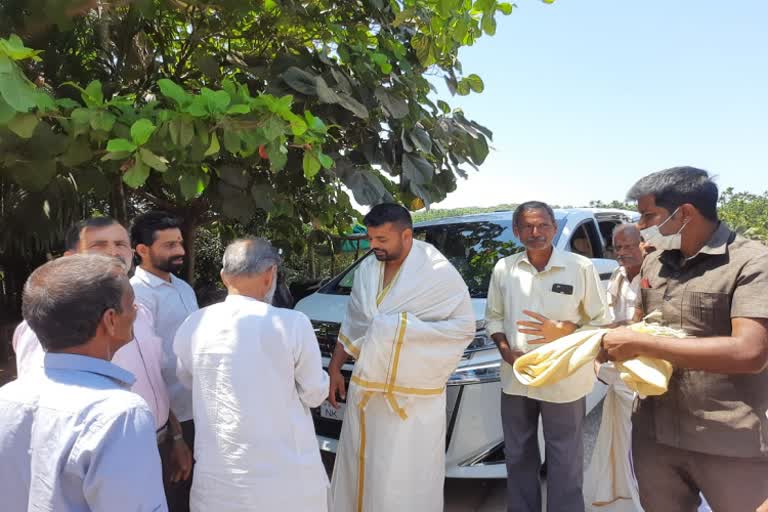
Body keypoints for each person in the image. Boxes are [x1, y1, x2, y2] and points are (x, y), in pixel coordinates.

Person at [602, 167, 768, 512]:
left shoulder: (751, 263)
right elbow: (640, 329)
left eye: (649, 214)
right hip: (655, 436)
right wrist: (591, 342)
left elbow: (750, 352)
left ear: (685, 213)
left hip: (728, 437)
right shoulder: (654, 265)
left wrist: (641, 344)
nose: (641, 223)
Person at [11, 217, 193, 496]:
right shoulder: (50, 324)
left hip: (158, 443)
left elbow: (154, 380)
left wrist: (176, 436)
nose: (113, 252)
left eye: (121, 244)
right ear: (71, 258)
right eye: (99, 244)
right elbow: (41, 410)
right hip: (100, 456)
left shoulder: (138, 313)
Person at [328, 203, 475, 512]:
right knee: (363, 465)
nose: (373, 246)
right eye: (370, 238)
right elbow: (354, 322)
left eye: (381, 239)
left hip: (412, 403)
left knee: (403, 476)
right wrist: (335, 367)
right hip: (366, 396)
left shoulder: (437, 273)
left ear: (406, 235)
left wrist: (395, 329)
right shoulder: (368, 269)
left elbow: (462, 329)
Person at [0, 254, 167, 511]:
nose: (136, 311)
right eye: (132, 303)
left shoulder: (7, 397)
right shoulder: (119, 413)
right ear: (110, 320)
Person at [173, 238, 329, 511]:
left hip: (218, 482)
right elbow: (315, 393)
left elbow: (187, 380)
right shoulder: (292, 324)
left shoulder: (194, 323)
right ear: (270, 276)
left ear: (223, 277)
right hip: (284, 481)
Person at [485, 201, 609, 512]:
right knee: (518, 454)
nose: (535, 232)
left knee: (564, 456)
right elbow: (494, 317)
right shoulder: (504, 268)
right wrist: (505, 351)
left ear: (554, 228)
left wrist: (567, 329)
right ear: (517, 231)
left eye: (542, 225)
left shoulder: (580, 267)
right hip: (517, 378)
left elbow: (600, 322)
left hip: (563, 379)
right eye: (527, 226)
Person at [130, 210, 199, 511]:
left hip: (196, 410)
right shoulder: (136, 295)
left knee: (195, 493)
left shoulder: (183, 287)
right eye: (169, 245)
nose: (181, 251)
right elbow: (148, 369)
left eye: (180, 243)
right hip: (167, 422)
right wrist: (177, 435)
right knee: (172, 497)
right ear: (142, 250)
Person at [584, 223, 645, 512]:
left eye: (628, 246)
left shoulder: (656, 276)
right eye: (617, 247)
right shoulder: (618, 276)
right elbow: (610, 318)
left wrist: (599, 333)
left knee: (642, 451)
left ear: (644, 244)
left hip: (644, 378)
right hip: (620, 376)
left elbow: (648, 325)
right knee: (622, 446)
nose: (622, 253)